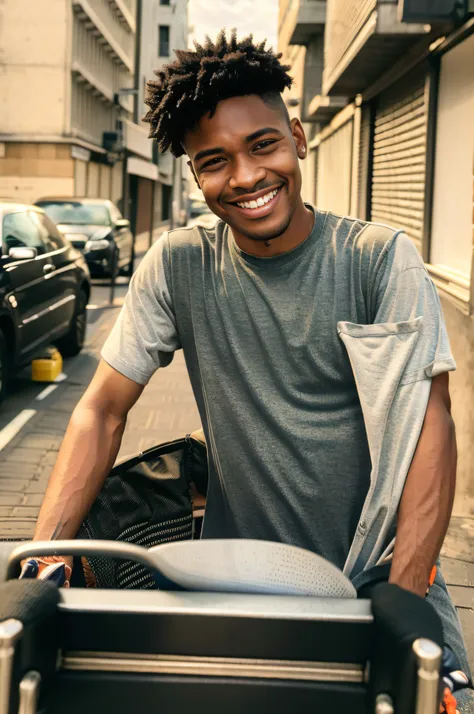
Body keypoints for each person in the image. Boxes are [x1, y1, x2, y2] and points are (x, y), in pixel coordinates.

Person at [31, 30, 471, 708]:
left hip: (382, 582)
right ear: (195, 174)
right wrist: (42, 561)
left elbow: (429, 428)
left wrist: (404, 595)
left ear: (296, 136)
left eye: (262, 145)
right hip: (244, 582)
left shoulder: (377, 259)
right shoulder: (181, 267)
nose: (244, 177)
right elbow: (102, 409)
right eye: (215, 161)